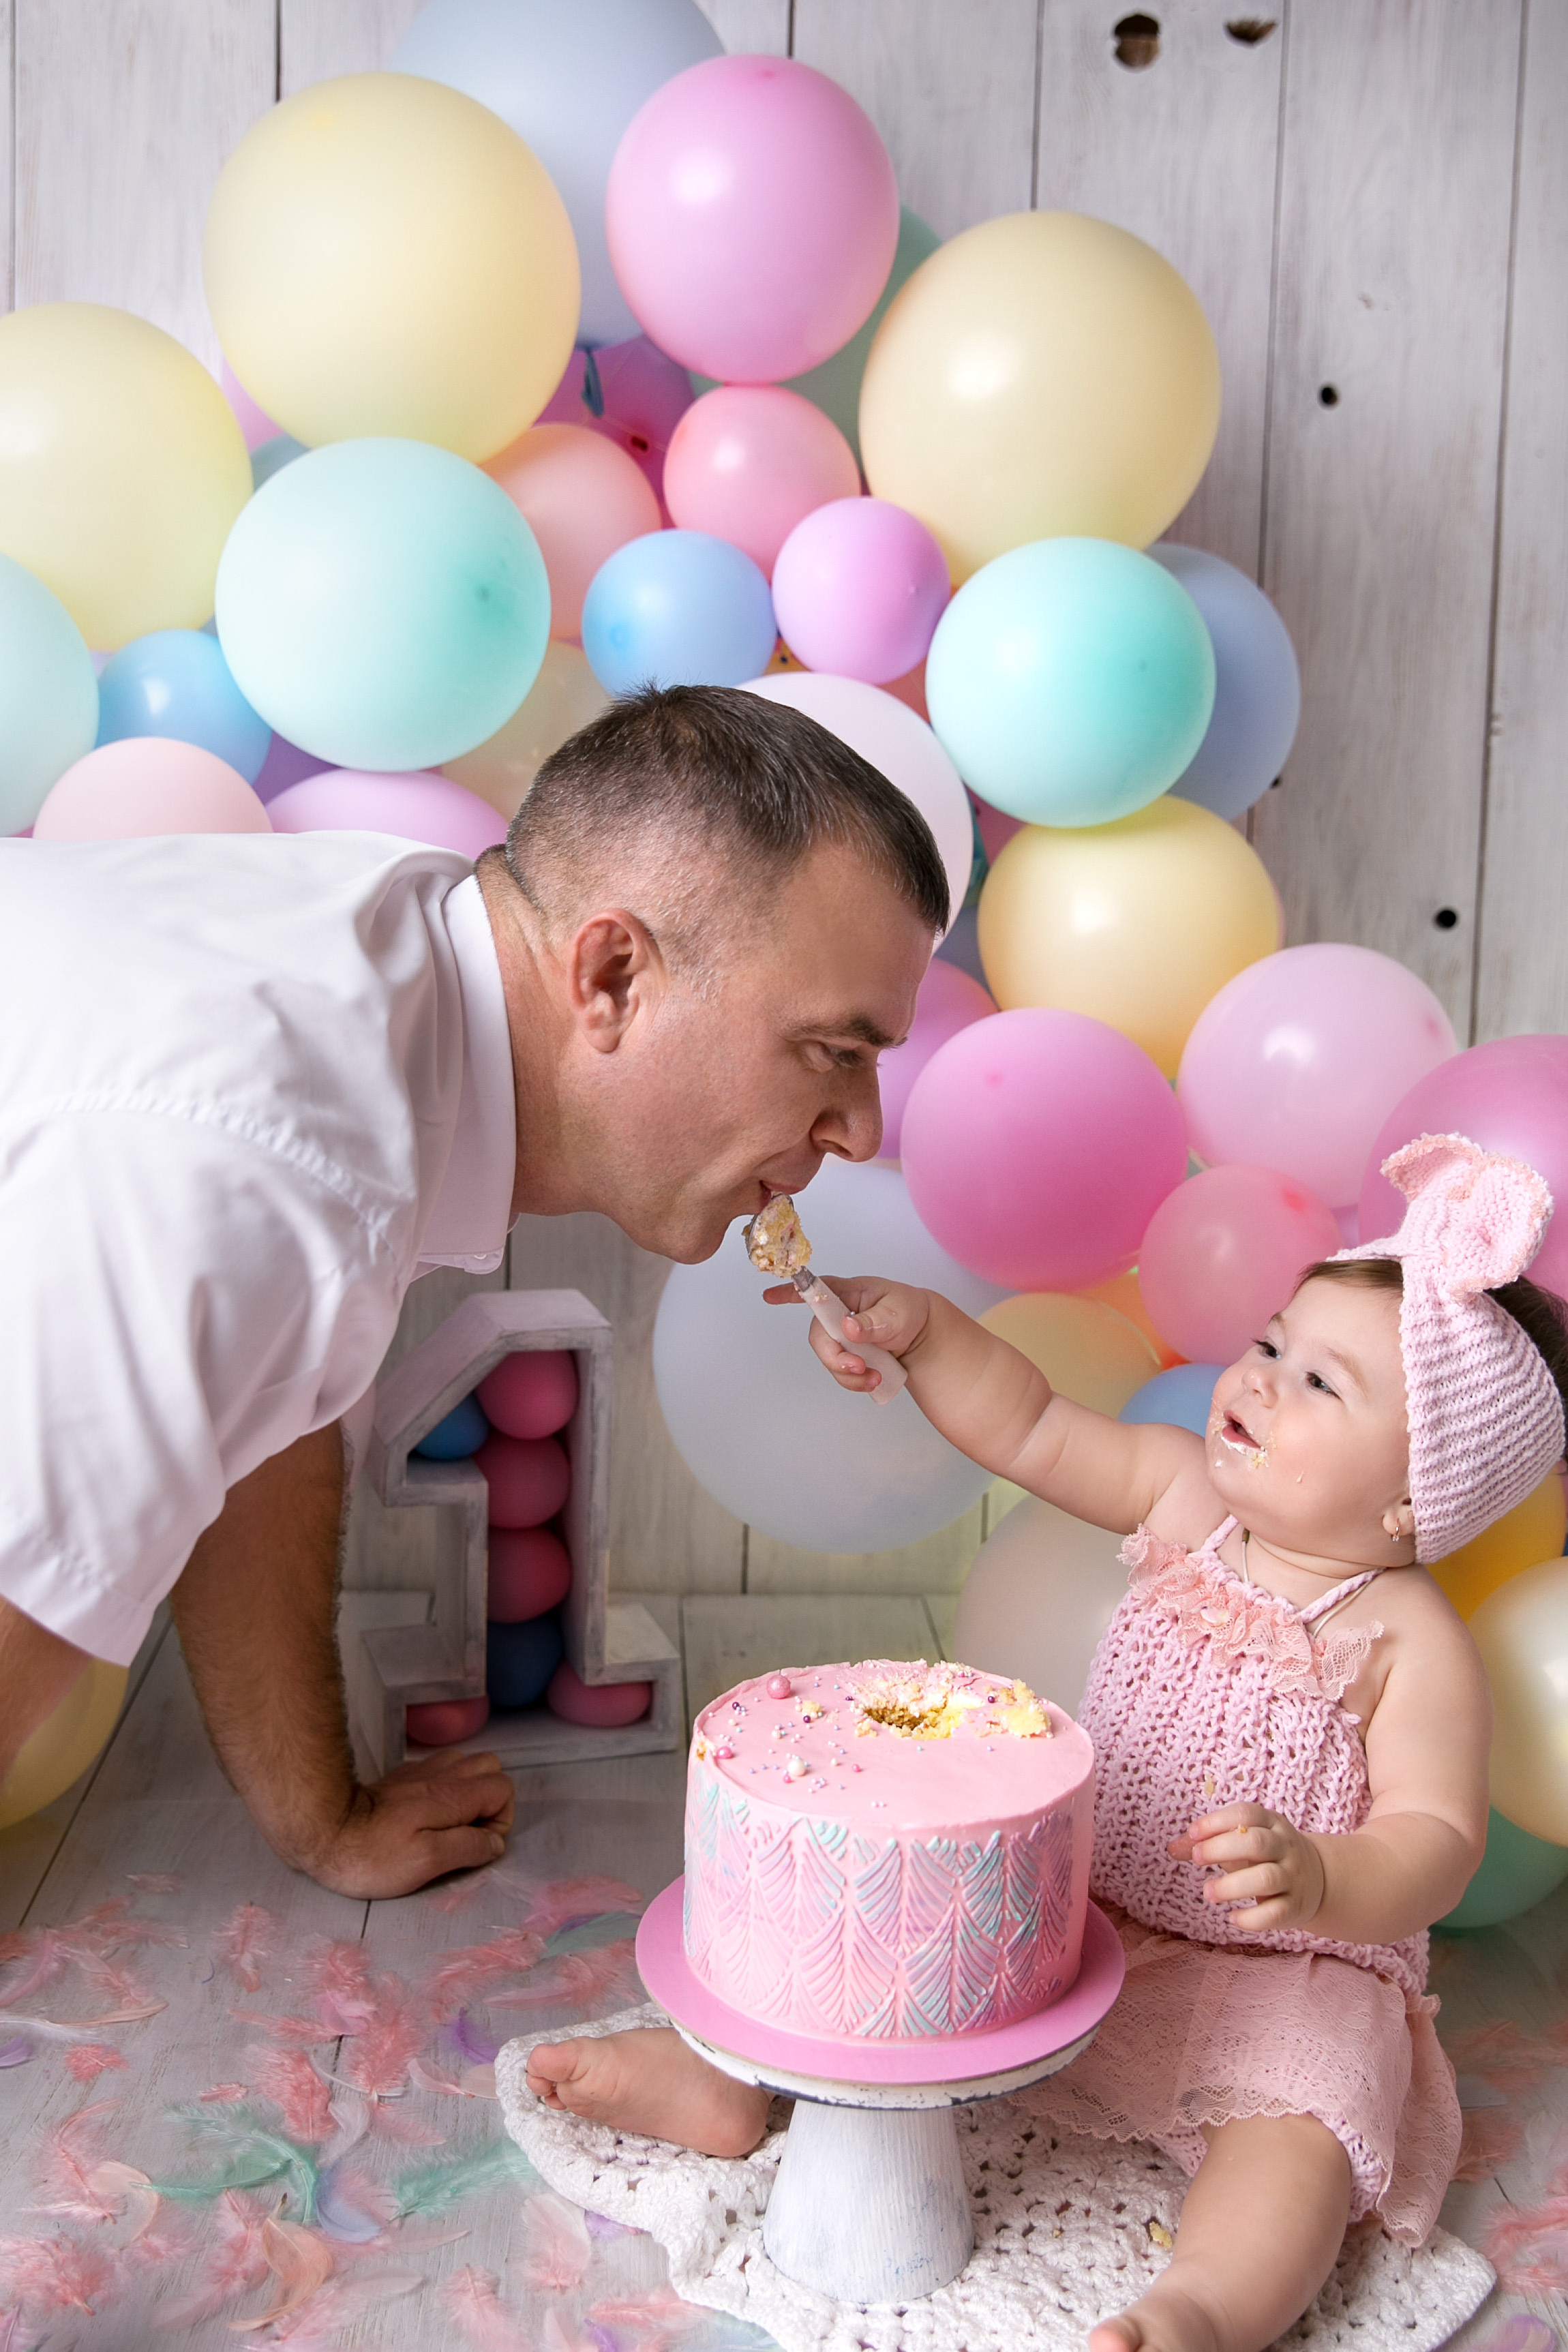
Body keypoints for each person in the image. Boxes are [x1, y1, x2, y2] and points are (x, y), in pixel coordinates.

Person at [528, 1135, 1568, 2352]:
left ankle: (1203, 2304)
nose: (1263, 1376)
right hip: (1090, 1908)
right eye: (1275, 1341)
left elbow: (1438, 1836)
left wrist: (1328, 1877)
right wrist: (929, 1338)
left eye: (1322, 1384)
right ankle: (735, 2083)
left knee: (1309, 2120)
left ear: (1416, 1498)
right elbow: (1030, 1423)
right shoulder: (1185, 1499)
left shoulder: (1409, 1641)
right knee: (908, 1944)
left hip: (1292, 1971)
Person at [0, 686, 948, 1899]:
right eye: (834, 1050)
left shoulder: (400, 960)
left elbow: (260, 1412)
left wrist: (319, 1815)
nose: (861, 1130)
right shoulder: (277, 1164)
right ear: (611, 975)